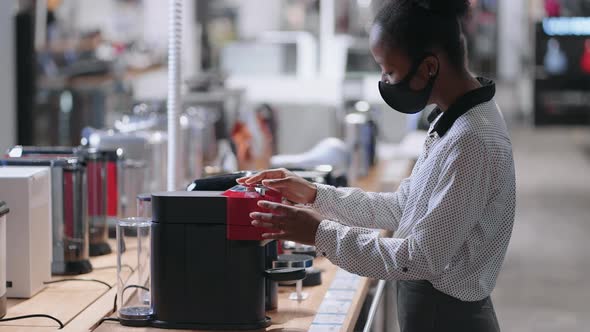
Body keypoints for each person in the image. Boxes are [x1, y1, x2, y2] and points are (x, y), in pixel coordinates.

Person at [238, 0, 515, 331]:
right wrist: (314, 195)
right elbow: (403, 208)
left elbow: (419, 258)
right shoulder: (451, 120)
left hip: (449, 318)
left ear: (428, 67)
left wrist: (318, 233)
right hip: (433, 310)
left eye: (390, 71)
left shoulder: (472, 140)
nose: (385, 81)